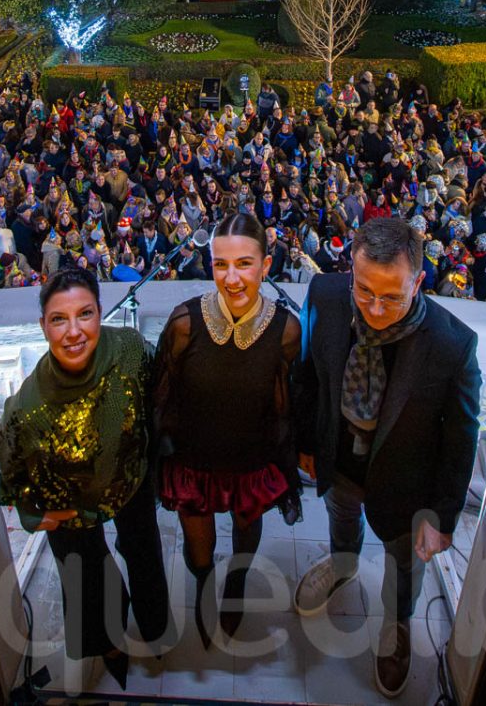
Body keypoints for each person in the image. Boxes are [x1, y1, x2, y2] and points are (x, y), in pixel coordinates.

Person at [292, 215, 481, 698]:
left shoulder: (451, 344)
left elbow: (461, 438)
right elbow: (310, 375)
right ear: (350, 274)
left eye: (392, 296)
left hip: (405, 484)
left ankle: (396, 627)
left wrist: (441, 516)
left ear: (418, 281)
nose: (375, 309)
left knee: (404, 564)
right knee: (340, 516)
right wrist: (307, 443)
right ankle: (342, 564)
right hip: (340, 459)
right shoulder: (326, 296)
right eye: (364, 291)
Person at [0, 267, 170, 690]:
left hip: (131, 479)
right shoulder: (27, 408)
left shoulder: (129, 350)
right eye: (59, 319)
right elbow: (12, 472)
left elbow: (157, 404)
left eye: (85, 314)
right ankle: (109, 645)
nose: (74, 331)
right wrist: (38, 515)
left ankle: (155, 625)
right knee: (89, 576)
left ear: (99, 312)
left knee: (144, 553)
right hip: (71, 505)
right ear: (43, 326)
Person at [152, 213, 302, 646]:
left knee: (244, 536)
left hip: (251, 464)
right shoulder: (184, 325)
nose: (232, 278)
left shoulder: (286, 331)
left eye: (244, 264)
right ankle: (203, 586)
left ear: (266, 266)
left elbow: (283, 405)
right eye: (221, 265)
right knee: (199, 550)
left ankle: (234, 587)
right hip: (193, 463)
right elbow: (164, 398)